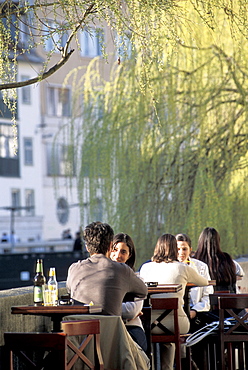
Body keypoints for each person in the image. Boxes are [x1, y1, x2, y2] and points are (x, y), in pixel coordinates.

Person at [139, 233, 208, 370]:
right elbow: (204, 282)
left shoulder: (146, 267)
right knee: (170, 332)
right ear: (174, 249)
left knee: (165, 336)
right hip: (176, 322)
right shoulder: (182, 267)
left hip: (149, 323)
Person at [66, 221, 148, 316]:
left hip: (80, 328)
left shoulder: (73, 269)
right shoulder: (122, 270)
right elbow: (143, 292)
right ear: (110, 246)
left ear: (87, 247)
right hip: (110, 328)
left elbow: (70, 291)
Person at [111, 233, 147, 352]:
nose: (117, 256)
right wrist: (123, 311)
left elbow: (132, 311)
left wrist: (108, 310)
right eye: (114, 250)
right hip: (109, 328)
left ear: (129, 255)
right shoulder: (102, 278)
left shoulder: (137, 280)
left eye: (123, 252)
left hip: (131, 327)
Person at [176, 233, 214, 330]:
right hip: (175, 312)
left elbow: (207, 295)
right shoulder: (170, 267)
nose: (181, 252)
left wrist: (195, 310)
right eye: (178, 249)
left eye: (184, 249)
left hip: (197, 311)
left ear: (190, 250)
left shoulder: (201, 267)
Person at [193, 227, 240, 293]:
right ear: (218, 241)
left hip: (204, 298)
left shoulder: (195, 260)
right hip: (226, 298)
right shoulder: (226, 258)